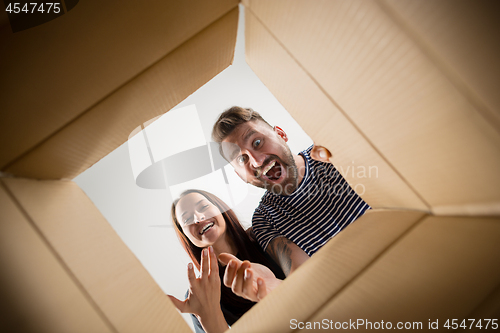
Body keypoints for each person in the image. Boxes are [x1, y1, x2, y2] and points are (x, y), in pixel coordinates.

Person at [212, 106, 371, 297]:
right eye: (241, 159)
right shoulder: (265, 219)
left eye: (257, 142)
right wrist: (273, 287)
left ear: (281, 134)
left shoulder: (329, 153)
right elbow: (304, 279)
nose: (256, 161)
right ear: (239, 175)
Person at [168, 189, 285, 333]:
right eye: (187, 220)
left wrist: (275, 286)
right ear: (185, 236)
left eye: (203, 207)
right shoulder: (198, 293)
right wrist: (210, 318)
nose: (198, 218)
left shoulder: (264, 235)